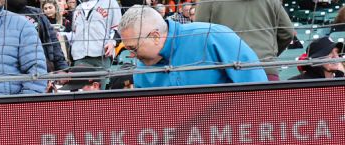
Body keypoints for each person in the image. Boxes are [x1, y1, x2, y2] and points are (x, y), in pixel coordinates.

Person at [119, 5, 266, 88]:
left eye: (134, 48)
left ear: (155, 37)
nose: (131, 55)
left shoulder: (212, 36)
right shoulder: (141, 71)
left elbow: (258, 91)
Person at [194, 0, 293, 81]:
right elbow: (287, 33)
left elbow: (199, 36)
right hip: (265, 69)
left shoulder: (207, 2)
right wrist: (269, 55)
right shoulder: (272, 1)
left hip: (225, 73)